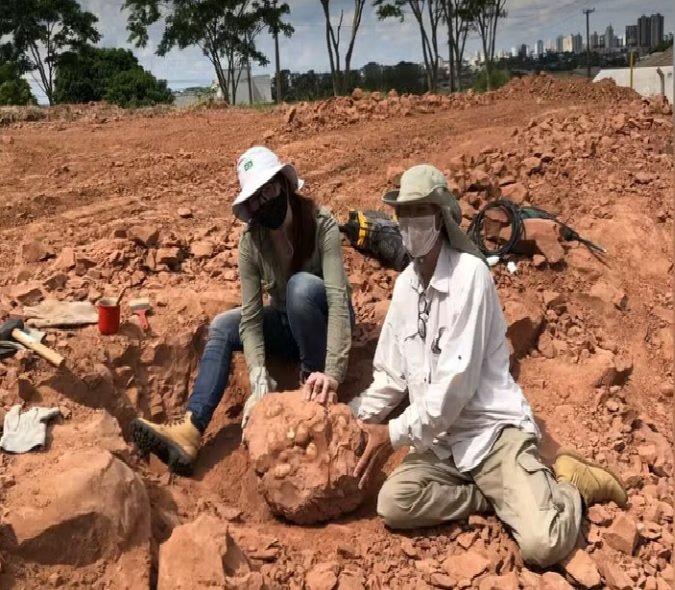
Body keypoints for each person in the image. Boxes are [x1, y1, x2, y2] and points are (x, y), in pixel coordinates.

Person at [347, 164, 627, 567]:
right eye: (403, 214)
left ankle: (570, 484)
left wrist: (391, 433)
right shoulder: (405, 285)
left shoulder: (470, 276)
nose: (409, 224)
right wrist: (349, 417)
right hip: (441, 443)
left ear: (441, 218)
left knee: (543, 544)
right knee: (394, 503)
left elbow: (455, 386)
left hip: (489, 434)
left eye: (420, 212)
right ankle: (495, 497)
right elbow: (390, 377)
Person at [132, 146, 354, 475]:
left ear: (284, 185)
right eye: (255, 199)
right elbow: (251, 317)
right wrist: (258, 375)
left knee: (301, 287)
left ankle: (311, 383)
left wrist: (333, 372)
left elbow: (336, 299)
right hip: (288, 323)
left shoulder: (321, 225)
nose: (264, 203)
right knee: (224, 324)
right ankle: (191, 428)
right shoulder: (251, 243)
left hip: (322, 321)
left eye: (269, 192)